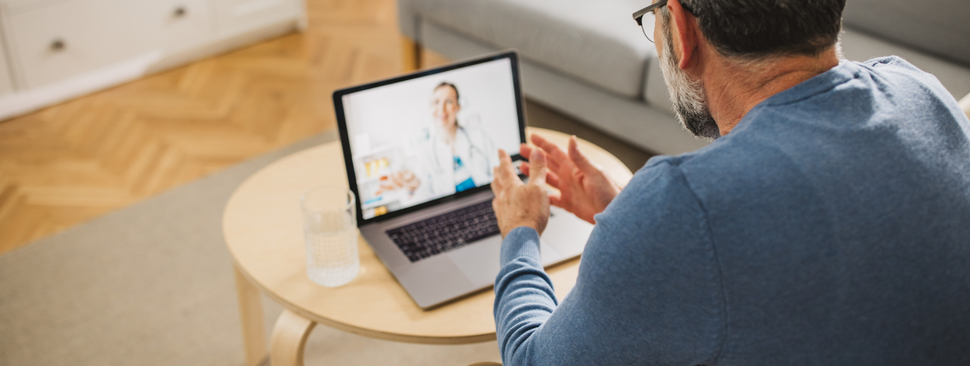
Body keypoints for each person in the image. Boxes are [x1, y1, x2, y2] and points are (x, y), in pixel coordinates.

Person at [489, 0, 970, 365]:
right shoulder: (919, 91)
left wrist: (520, 229)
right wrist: (632, 221)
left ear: (680, 25)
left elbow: (531, 357)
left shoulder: (681, 209)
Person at [380, 82, 497, 202]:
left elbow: (499, 172)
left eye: (449, 101)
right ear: (430, 108)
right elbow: (424, 198)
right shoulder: (425, 152)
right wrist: (415, 185)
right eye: (436, 102)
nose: (441, 108)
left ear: (458, 107)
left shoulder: (478, 136)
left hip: (487, 201)